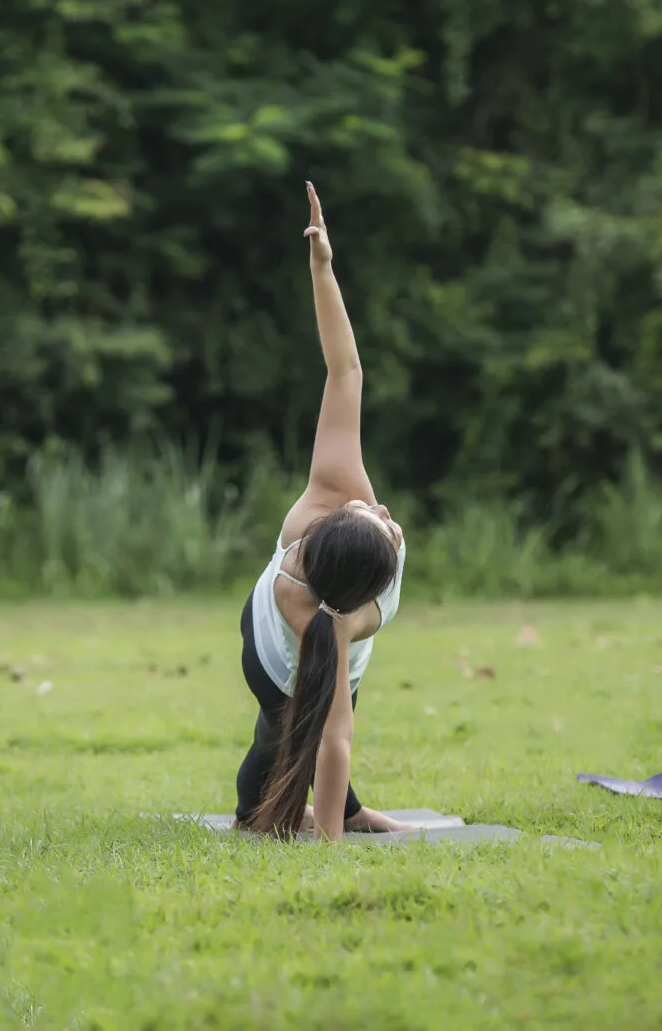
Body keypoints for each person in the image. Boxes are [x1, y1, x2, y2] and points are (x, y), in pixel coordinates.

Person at [234, 182, 415, 841]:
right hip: (269, 647)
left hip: (323, 637)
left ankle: (343, 810)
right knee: (287, 723)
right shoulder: (333, 610)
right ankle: (256, 812)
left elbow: (346, 373)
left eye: (373, 514)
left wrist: (323, 267)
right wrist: (331, 850)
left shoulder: (337, 501)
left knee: (320, 709)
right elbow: (336, 736)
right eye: (380, 519)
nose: (380, 506)